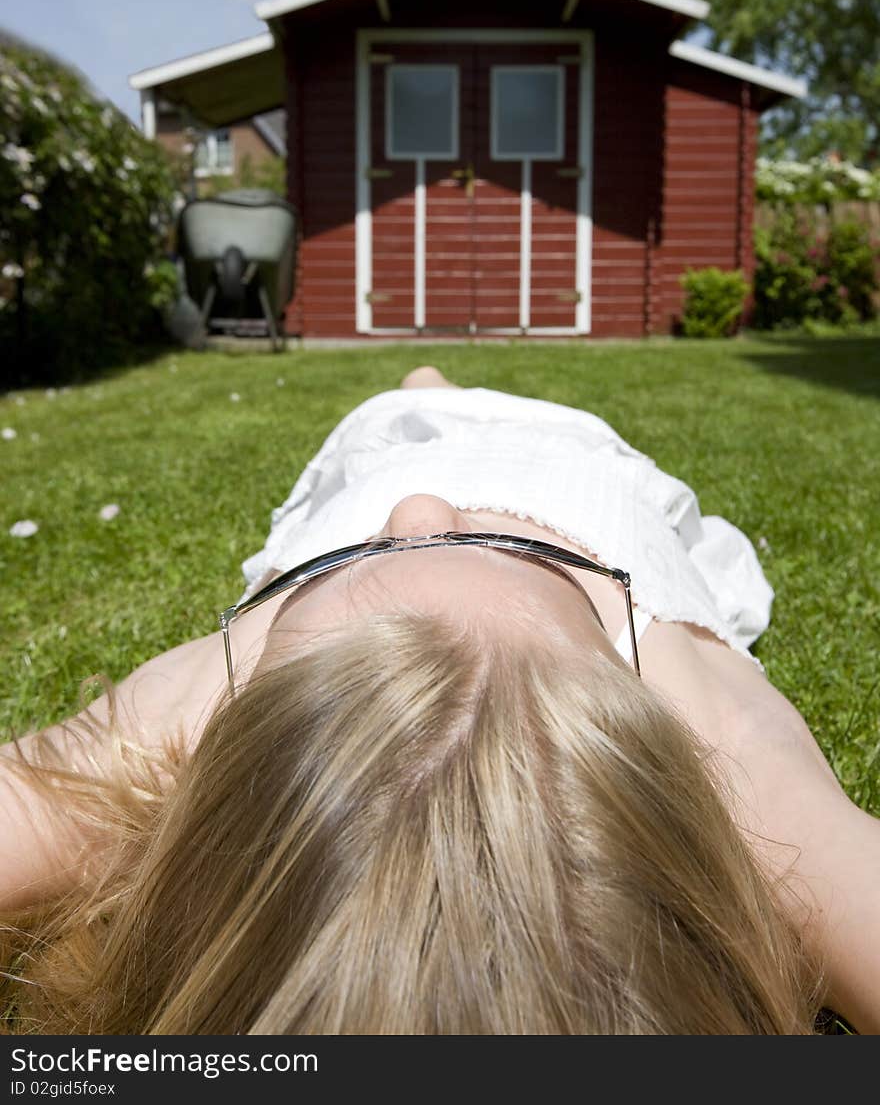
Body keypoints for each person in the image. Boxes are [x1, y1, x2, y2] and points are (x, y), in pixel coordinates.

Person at [1, 365, 878, 1035]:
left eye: (363, 561)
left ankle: (427, 387)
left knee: (411, 397)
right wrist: (805, 860)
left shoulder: (199, 708)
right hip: (589, 463)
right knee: (449, 398)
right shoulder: (725, 746)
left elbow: (35, 795)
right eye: (510, 552)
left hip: (382, 450)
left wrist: (113, 762)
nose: (421, 511)